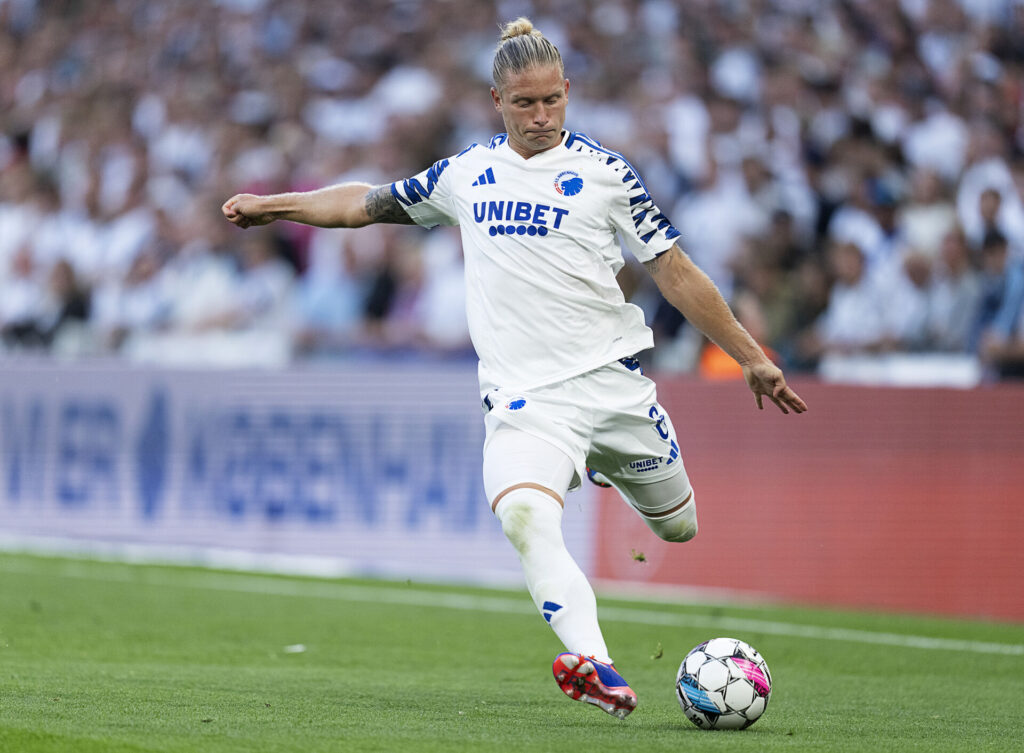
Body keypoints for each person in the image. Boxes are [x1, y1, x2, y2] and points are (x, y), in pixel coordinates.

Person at [222, 17, 807, 719]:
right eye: (524, 103)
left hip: (615, 391)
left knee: (679, 528)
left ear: (568, 92)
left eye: (551, 101)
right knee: (527, 515)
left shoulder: (606, 174)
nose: (540, 117)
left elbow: (675, 273)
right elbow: (364, 202)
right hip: (526, 402)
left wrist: (751, 357)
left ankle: (602, 463)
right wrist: (275, 207)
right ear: (495, 100)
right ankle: (597, 665)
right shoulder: (467, 174)